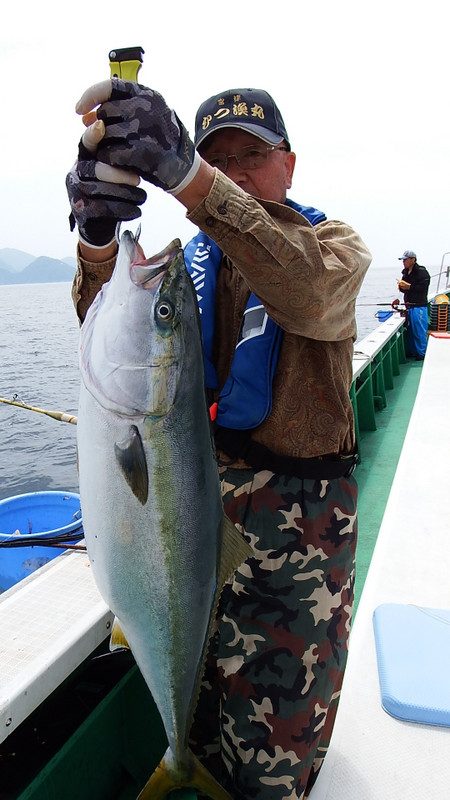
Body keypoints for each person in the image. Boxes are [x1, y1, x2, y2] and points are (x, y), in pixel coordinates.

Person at [66, 79, 371, 800]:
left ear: (288, 165)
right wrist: (98, 237)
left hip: (301, 546)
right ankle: (186, 761)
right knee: (202, 720)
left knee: (273, 755)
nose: (236, 173)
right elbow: (113, 336)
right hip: (197, 522)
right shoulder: (192, 271)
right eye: (218, 158)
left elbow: (304, 288)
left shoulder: (334, 250)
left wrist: (192, 179)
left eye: (251, 157)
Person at [397, 250, 430, 360]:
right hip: (409, 306)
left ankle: (422, 353)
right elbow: (405, 290)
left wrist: (409, 287)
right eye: (403, 260)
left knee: (419, 331)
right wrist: (401, 287)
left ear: (413, 260)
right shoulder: (405, 273)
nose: (403, 262)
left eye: (405, 260)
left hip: (419, 306)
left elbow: (423, 288)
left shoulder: (422, 272)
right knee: (411, 331)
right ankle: (413, 352)